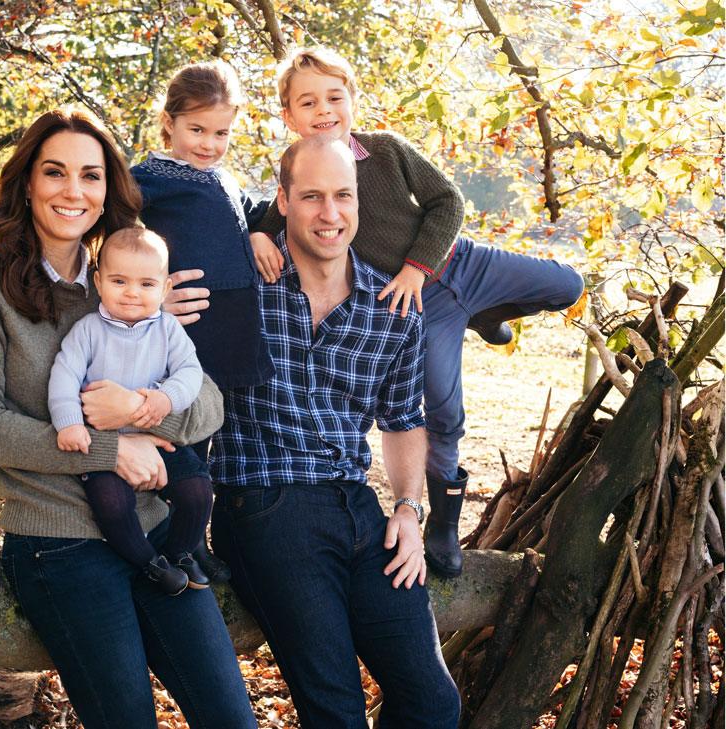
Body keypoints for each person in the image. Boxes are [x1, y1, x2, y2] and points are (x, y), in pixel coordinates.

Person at [0, 108, 256, 729]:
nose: (73, 191)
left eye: (91, 175)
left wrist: (144, 412)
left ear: (109, 188)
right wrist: (113, 451)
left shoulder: (128, 279)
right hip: (60, 542)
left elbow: (210, 402)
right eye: (55, 172)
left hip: (157, 530)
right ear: (26, 181)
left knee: (231, 717)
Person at [248, 46, 584, 578]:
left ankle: (487, 312)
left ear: (352, 100)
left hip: (460, 264)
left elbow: (447, 201)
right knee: (443, 411)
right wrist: (255, 237)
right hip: (422, 309)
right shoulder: (302, 179)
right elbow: (275, 218)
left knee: (568, 284)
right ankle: (444, 525)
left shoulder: (385, 150)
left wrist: (415, 266)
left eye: (335, 97)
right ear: (289, 116)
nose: (324, 110)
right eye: (307, 103)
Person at [210, 135, 461, 728]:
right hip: (265, 505)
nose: (330, 213)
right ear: (283, 200)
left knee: (433, 703)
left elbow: (403, 419)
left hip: (357, 508)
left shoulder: (391, 304)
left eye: (342, 196)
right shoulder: (241, 281)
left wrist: (407, 508)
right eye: (312, 196)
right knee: (336, 710)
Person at [131, 60, 275, 581]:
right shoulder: (148, 178)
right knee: (183, 437)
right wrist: (148, 291)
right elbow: (111, 233)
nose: (210, 143)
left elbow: (249, 211)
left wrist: (259, 231)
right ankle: (177, 540)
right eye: (197, 130)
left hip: (231, 328)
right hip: (189, 328)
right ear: (168, 122)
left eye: (221, 133)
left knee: (209, 437)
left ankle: (196, 539)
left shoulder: (223, 177)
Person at [48, 227, 212, 594]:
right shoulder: (87, 331)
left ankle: (180, 552)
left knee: (197, 490)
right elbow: (63, 377)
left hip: (155, 439)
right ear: (99, 281)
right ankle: (149, 564)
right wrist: (70, 424)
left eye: (146, 284)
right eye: (119, 281)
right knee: (111, 504)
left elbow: (190, 373)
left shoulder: (168, 330)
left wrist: (164, 399)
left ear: (165, 288)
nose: (132, 293)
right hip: (104, 445)